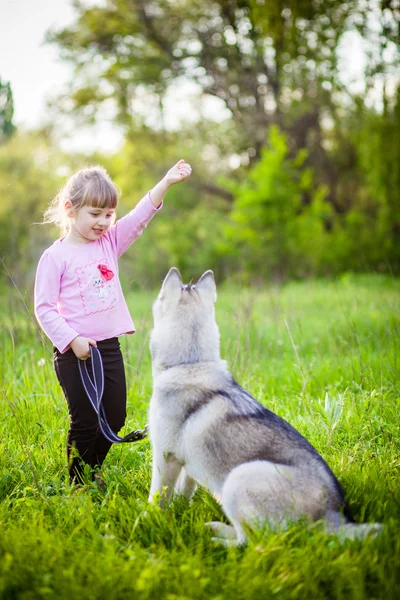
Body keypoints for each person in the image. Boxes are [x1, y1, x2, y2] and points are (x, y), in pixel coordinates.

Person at [34, 159, 192, 485]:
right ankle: (78, 483)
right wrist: (72, 340)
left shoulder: (109, 243)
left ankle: (91, 468)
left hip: (108, 349)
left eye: (109, 214)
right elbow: (45, 308)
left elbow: (139, 217)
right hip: (74, 353)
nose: (103, 222)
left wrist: (165, 182)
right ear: (70, 209)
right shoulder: (56, 257)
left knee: (115, 417)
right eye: (95, 214)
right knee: (86, 420)